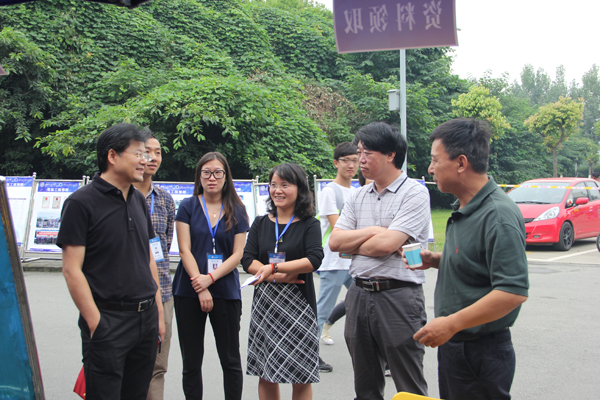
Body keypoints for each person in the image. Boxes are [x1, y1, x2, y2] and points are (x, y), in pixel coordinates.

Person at [410, 118, 529, 400]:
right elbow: (478, 262)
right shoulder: (466, 207)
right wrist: (437, 259)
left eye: (435, 160)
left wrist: (451, 323)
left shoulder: (497, 215)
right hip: (458, 344)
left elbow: (512, 291)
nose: (430, 168)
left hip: (480, 350)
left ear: (461, 163)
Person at [57, 123, 165, 400]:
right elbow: (71, 270)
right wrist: (96, 324)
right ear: (112, 156)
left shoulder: (138, 200)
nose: (146, 160)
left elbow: (148, 257)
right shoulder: (81, 203)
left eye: (147, 154)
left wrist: (158, 313)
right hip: (108, 319)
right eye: (138, 153)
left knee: (137, 394)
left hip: (145, 319)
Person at [329, 122, 430, 399]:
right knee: (365, 387)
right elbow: (335, 243)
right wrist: (375, 231)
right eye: (359, 152)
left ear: (391, 155)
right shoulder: (358, 194)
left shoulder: (414, 192)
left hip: (398, 295)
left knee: (409, 384)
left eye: (367, 153)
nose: (360, 160)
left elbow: (384, 246)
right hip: (359, 293)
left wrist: (359, 244)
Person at [242, 163, 324, 400]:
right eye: (273, 185)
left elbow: (314, 259)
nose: (277, 190)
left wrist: (275, 267)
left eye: (285, 185)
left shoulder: (310, 224)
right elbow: (247, 259)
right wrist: (273, 275)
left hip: (299, 307)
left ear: (300, 189)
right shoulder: (260, 223)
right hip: (266, 307)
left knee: (301, 375)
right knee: (266, 373)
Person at [172, 152, 249, 400]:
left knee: (230, 360)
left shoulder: (237, 209)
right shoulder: (188, 205)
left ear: (226, 177)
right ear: (199, 176)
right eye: (206, 172)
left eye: (217, 172)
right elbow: (184, 249)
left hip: (224, 290)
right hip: (189, 290)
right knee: (191, 362)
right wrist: (201, 284)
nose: (212, 178)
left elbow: (238, 254)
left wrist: (211, 279)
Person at [132, 134, 176, 400]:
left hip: (162, 294)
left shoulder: (165, 200)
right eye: (146, 151)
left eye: (158, 152)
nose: (153, 158)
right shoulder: (117, 196)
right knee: (123, 366)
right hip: (125, 297)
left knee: (157, 367)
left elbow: (164, 247)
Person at [316, 142, 358, 372]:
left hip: (356, 261)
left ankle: (376, 356)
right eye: (346, 160)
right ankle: (308, 354)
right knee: (323, 309)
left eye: (355, 160)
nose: (351, 165)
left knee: (365, 305)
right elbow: (338, 226)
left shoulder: (358, 191)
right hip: (333, 261)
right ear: (336, 163)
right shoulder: (330, 191)